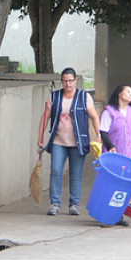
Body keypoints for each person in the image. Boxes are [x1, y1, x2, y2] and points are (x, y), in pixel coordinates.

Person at [39, 67, 102, 217]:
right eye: (65, 81)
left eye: (70, 81)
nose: (68, 84)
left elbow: (94, 117)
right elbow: (45, 117)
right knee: (55, 171)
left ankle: (74, 204)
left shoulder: (84, 97)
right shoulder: (54, 96)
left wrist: (98, 135)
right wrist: (40, 138)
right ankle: (55, 203)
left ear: (75, 81)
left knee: (75, 174)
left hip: (78, 143)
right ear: (61, 81)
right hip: (58, 141)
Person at [99, 84, 131, 226]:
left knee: (126, 187)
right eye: (127, 92)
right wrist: (110, 146)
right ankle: (105, 214)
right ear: (119, 94)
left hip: (130, 155)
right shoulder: (109, 112)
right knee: (112, 186)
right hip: (115, 155)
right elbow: (103, 131)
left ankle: (119, 215)